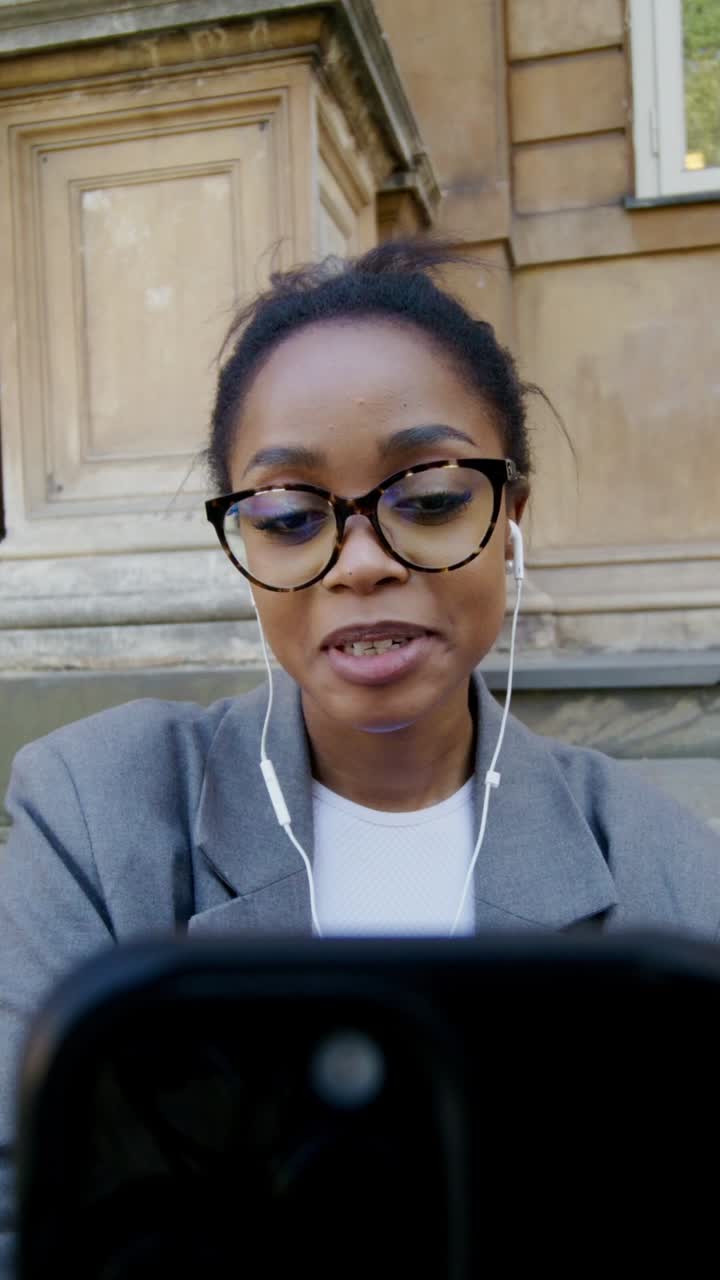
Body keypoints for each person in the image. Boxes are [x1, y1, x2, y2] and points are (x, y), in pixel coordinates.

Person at [1, 240, 719, 1271]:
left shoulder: (666, 875)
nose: (365, 562)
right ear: (244, 546)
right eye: (292, 517)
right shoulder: (96, 814)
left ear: (511, 518)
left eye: (427, 500)